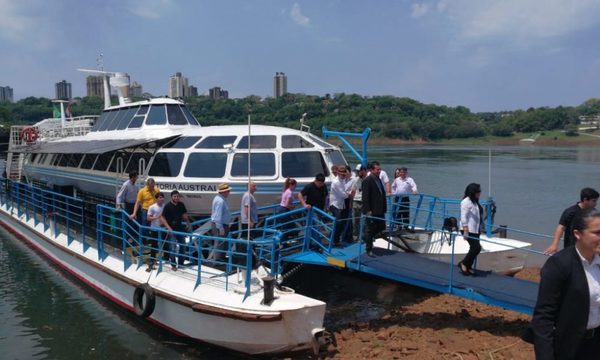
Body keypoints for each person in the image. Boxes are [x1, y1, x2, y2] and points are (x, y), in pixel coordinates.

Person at [530, 208, 600, 359]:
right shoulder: (560, 264)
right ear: (577, 234)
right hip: (568, 346)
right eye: (597, 233)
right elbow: (543, 318)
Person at [544, 187, 599, 255]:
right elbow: (561, 228)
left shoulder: (593, 212)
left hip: (588, 247)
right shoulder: (570, 212)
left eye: (596, 201)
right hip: (572, 247)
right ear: (585, 200)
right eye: (594, 201)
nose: (596, 203)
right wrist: (554, 245)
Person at [160, 190, 192, 270]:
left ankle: (181, 263)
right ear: (171, 197)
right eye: (175, 196)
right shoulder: (167, 206)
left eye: (178, 196)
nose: (176, 198)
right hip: (171, 230)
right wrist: (168, 227)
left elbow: (184, 214)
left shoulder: (181, 204)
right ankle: (173, 265)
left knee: (183, 246)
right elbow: (162, 218)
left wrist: (188, 223)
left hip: (180, 229)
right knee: (172, 248)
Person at [362, 161, 387, 256]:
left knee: (381, 227)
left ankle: (367, 238)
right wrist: (368, 210)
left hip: (380, 209)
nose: (379, 171)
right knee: (370, 229)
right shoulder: (367, 181)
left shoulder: (378, 179)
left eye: (380, 169)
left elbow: (381, 193)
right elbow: (365, 197)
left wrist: (384, 207)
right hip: (371, 210)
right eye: (377, 169)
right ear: (371, 170)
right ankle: (369, 249)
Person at [457, 183, 483, 276]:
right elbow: (463, 217)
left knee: (474, 248)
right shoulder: (466, 202)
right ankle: (463, 263)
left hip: (476, 230)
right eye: (478, 191)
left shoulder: (475, 201)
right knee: (477, 247)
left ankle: (468, 266)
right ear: (473, 192)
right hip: (468, 229)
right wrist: (465, 230)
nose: (480, 193)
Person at [330, 166, 352, 245]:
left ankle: (336, 239)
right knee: (338, 223)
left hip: (341, 204)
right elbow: (343, 195)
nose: (343, 176)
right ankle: (335, 240)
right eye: (342, 174)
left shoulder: (342, 180)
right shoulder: (336, 182)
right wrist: (349, 194)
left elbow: (345, 192)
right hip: (335, 205)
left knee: (341, 222)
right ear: (338, 174)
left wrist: (347, 193)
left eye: (344, 174)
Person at [145, 192, 165, 271]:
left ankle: (164, 258)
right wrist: (156, 217)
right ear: (156, 199)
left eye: (162, 197)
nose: (161, 199)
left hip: (163, 229)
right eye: (160, 197)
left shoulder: (164, 206)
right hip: (154, 228)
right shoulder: (152, 207)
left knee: (164, 244)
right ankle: (152, 260)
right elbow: (148, 218)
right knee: (154, 245)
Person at [352, 164, 367, 239]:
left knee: (365, 221)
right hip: (356, 201)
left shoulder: (369, 179)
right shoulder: (355, 179)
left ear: (364, 171)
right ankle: (355, 236)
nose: (358, 173)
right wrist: (350, 202)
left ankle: (365, 236)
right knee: (355, 220)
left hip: (365, 202)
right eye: (357, 171)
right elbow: (353, 191)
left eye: (359, 171)